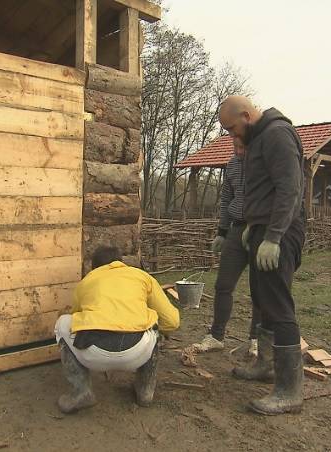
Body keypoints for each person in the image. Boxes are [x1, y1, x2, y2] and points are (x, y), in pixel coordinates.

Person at [218, 95, 306, 416]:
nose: (231, 136)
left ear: (246, 115)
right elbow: (261, 190)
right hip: (261, 230)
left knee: (279, 305)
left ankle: (289, 391)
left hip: (279, 233)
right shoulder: (258, 138)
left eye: (231, 128)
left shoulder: (277, 134)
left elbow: (289, 189)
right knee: (262, 299)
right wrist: (252, 227)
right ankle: (266, 365)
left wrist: (273, 236)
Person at [54, 246, 180, 414]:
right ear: (121, 262)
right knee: (155, 322)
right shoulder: (142, 277)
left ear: (94, 267)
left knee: (63, 322)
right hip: (138, 352)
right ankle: (145, 392)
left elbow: (77, 318)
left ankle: (81, 391)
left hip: (94, 355)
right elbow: (172, 321)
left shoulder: (86, 282)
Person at [194, 137, 259, 355]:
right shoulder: (231, 165)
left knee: (259, 289)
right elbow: (226, 199)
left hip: (259, 229)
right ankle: (216, 336)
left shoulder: (262, 163)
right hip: (236, 229)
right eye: (236, 146)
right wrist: (222, 232)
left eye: (243, 147)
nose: (239, 151)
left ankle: (256, 340)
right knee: (223, 285)